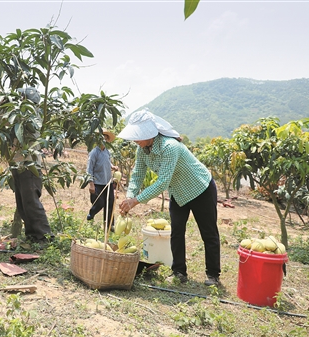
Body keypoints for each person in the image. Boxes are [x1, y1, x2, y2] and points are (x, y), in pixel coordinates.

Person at [117, 108, 221, 286]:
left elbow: (162, 182)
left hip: (200, 188)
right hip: (179, 193)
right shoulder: (142, 150)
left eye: (138, 135)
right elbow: (137, 175)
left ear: (149, 133)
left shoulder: (169, 147)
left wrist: (136, 201)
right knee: (177, 232)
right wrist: (129, 196)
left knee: (209, 233)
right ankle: (179, 272)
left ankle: (213, 275)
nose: (135, 140)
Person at [11, 87, 55, 244]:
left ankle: (43, 236)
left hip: (29, 166)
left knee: (31, 203)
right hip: (19, 164)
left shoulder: (29, 117)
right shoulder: (24, 115)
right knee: (23, 204)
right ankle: (32, 236)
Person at [86, 129, 119, 232]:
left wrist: (112, 166)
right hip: (97, 183)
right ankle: (91, 215)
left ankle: (109, 226)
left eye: (105, 138)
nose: (103, 140)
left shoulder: (107, 152)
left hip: (108, 182)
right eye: (102, 138)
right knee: (99, 203)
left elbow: (107, 162)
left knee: (110, 204)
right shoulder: (94, 152)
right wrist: (91, 184)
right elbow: (89, 169)